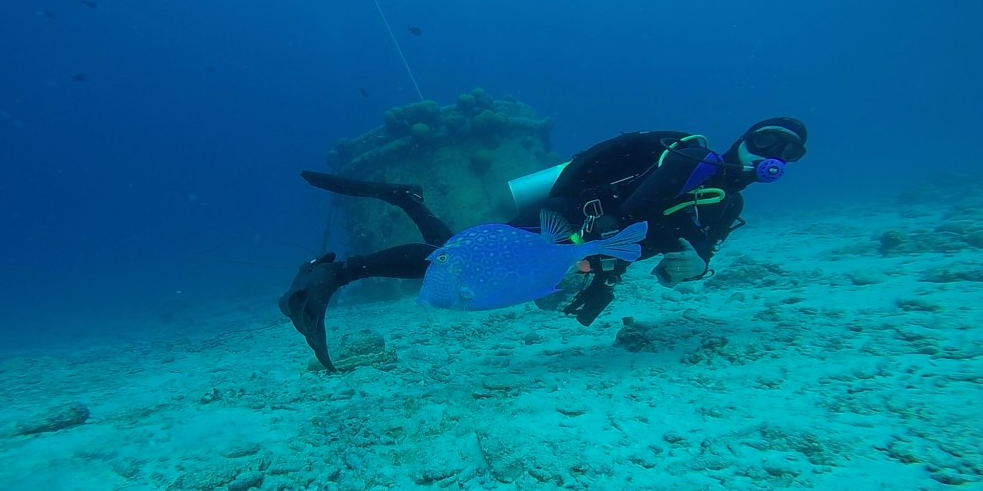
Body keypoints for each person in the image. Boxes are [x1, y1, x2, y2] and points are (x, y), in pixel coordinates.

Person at [280, 117, 808, 370]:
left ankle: (406, 199)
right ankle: (338, 272)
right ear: (746, 138)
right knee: (460, 263)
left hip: (591, 258)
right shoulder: (681, 153)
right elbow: (592, 162)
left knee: (463, 259)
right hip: (568, 223)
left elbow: (674, 271)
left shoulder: (725, 207)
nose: (772, 153)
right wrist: (569, 216)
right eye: (767, 140)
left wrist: (690, 268)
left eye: (788, 151)